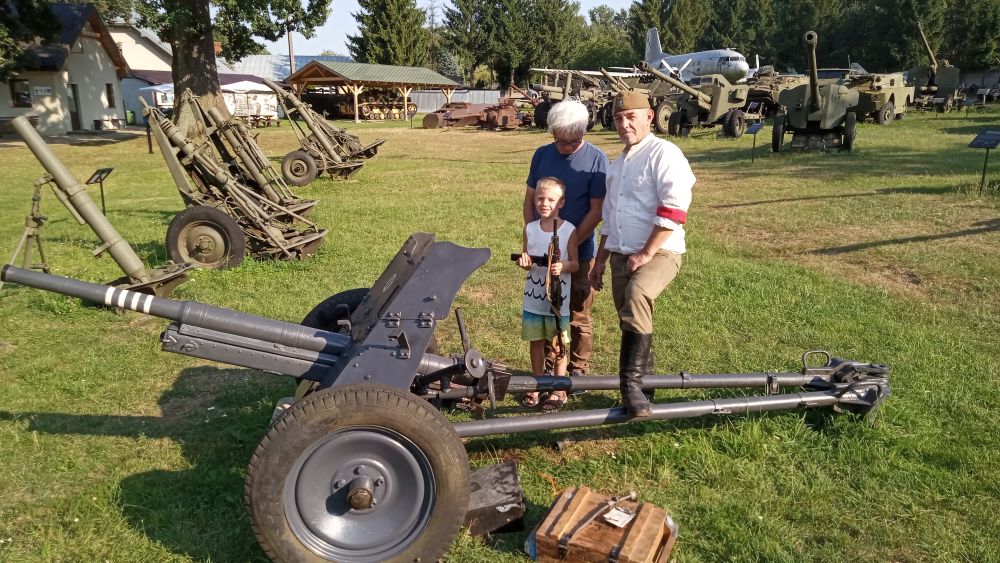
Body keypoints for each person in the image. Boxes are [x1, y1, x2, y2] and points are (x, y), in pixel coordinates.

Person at [589, 91, 696, 417]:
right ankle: (645, 390)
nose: (623, 124)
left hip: (661, 251)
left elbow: (675, 208)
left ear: (650, 117)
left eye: (630, 117)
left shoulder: (665, 153)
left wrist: (647, 252)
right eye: (619, 119)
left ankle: (630, 389)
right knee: (629, 317)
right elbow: (611, 216)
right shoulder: (618, 164)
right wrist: (600, 262)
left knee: (637, 296)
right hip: (622, 253)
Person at [524, 99, 607, 381]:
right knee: (548, 309)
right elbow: (528, 200)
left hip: (580, 254)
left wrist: (567, 243)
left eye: (570, 143)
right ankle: (550, 365)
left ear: (583, 133)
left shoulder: (597, 160)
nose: (563, 148)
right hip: (544, 253)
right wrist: (535, 235)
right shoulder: (541, 155)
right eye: (558, 141)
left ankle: (578, 368)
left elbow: (596, 211)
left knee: (577, 313)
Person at [517, 177, 579, 411]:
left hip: (557, 301)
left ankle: (559, 388)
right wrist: (524, 262)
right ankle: (538, 382)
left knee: (558, 345)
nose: (544, 203)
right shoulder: (530, 229)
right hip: (533, 297)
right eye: (539, 198)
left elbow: (575, 264)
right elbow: (527, 258)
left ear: (560, 203)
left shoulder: (568, 229)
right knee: (536, 343)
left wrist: (562, 266)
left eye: (550, 200)